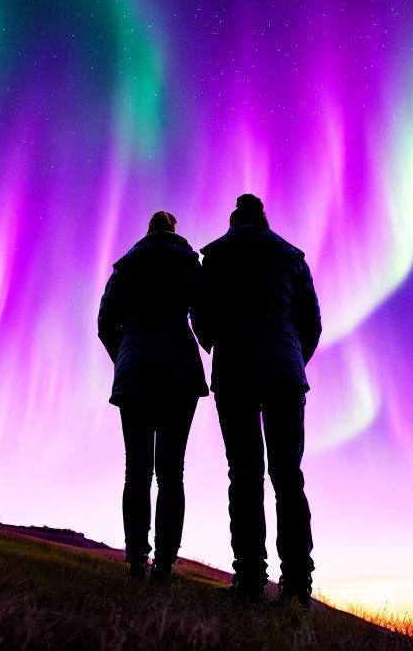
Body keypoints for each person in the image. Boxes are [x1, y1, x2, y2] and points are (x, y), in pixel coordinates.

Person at [192, 194, 321, 608]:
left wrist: (217, 344)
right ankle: (298, 583)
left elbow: (201, 315)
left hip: (235, 373)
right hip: (285, 375)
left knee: (244, 473)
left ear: (233, 220)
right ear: (264, 219)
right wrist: (293, 359)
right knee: (288, 477)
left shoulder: (214, 257)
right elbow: (312, 322)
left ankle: (249, 577)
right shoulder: (291, 257)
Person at [98, 211, 208, 586]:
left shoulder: (126, 267)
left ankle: (135, 558)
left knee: (138, 471)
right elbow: (205, 316)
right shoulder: (189, 264)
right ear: (174, 232)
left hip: (135, 378)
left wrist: (125, 355)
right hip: (179, 375)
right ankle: (163, 564)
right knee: (171, 474)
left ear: (147, 232)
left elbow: (105, 323)